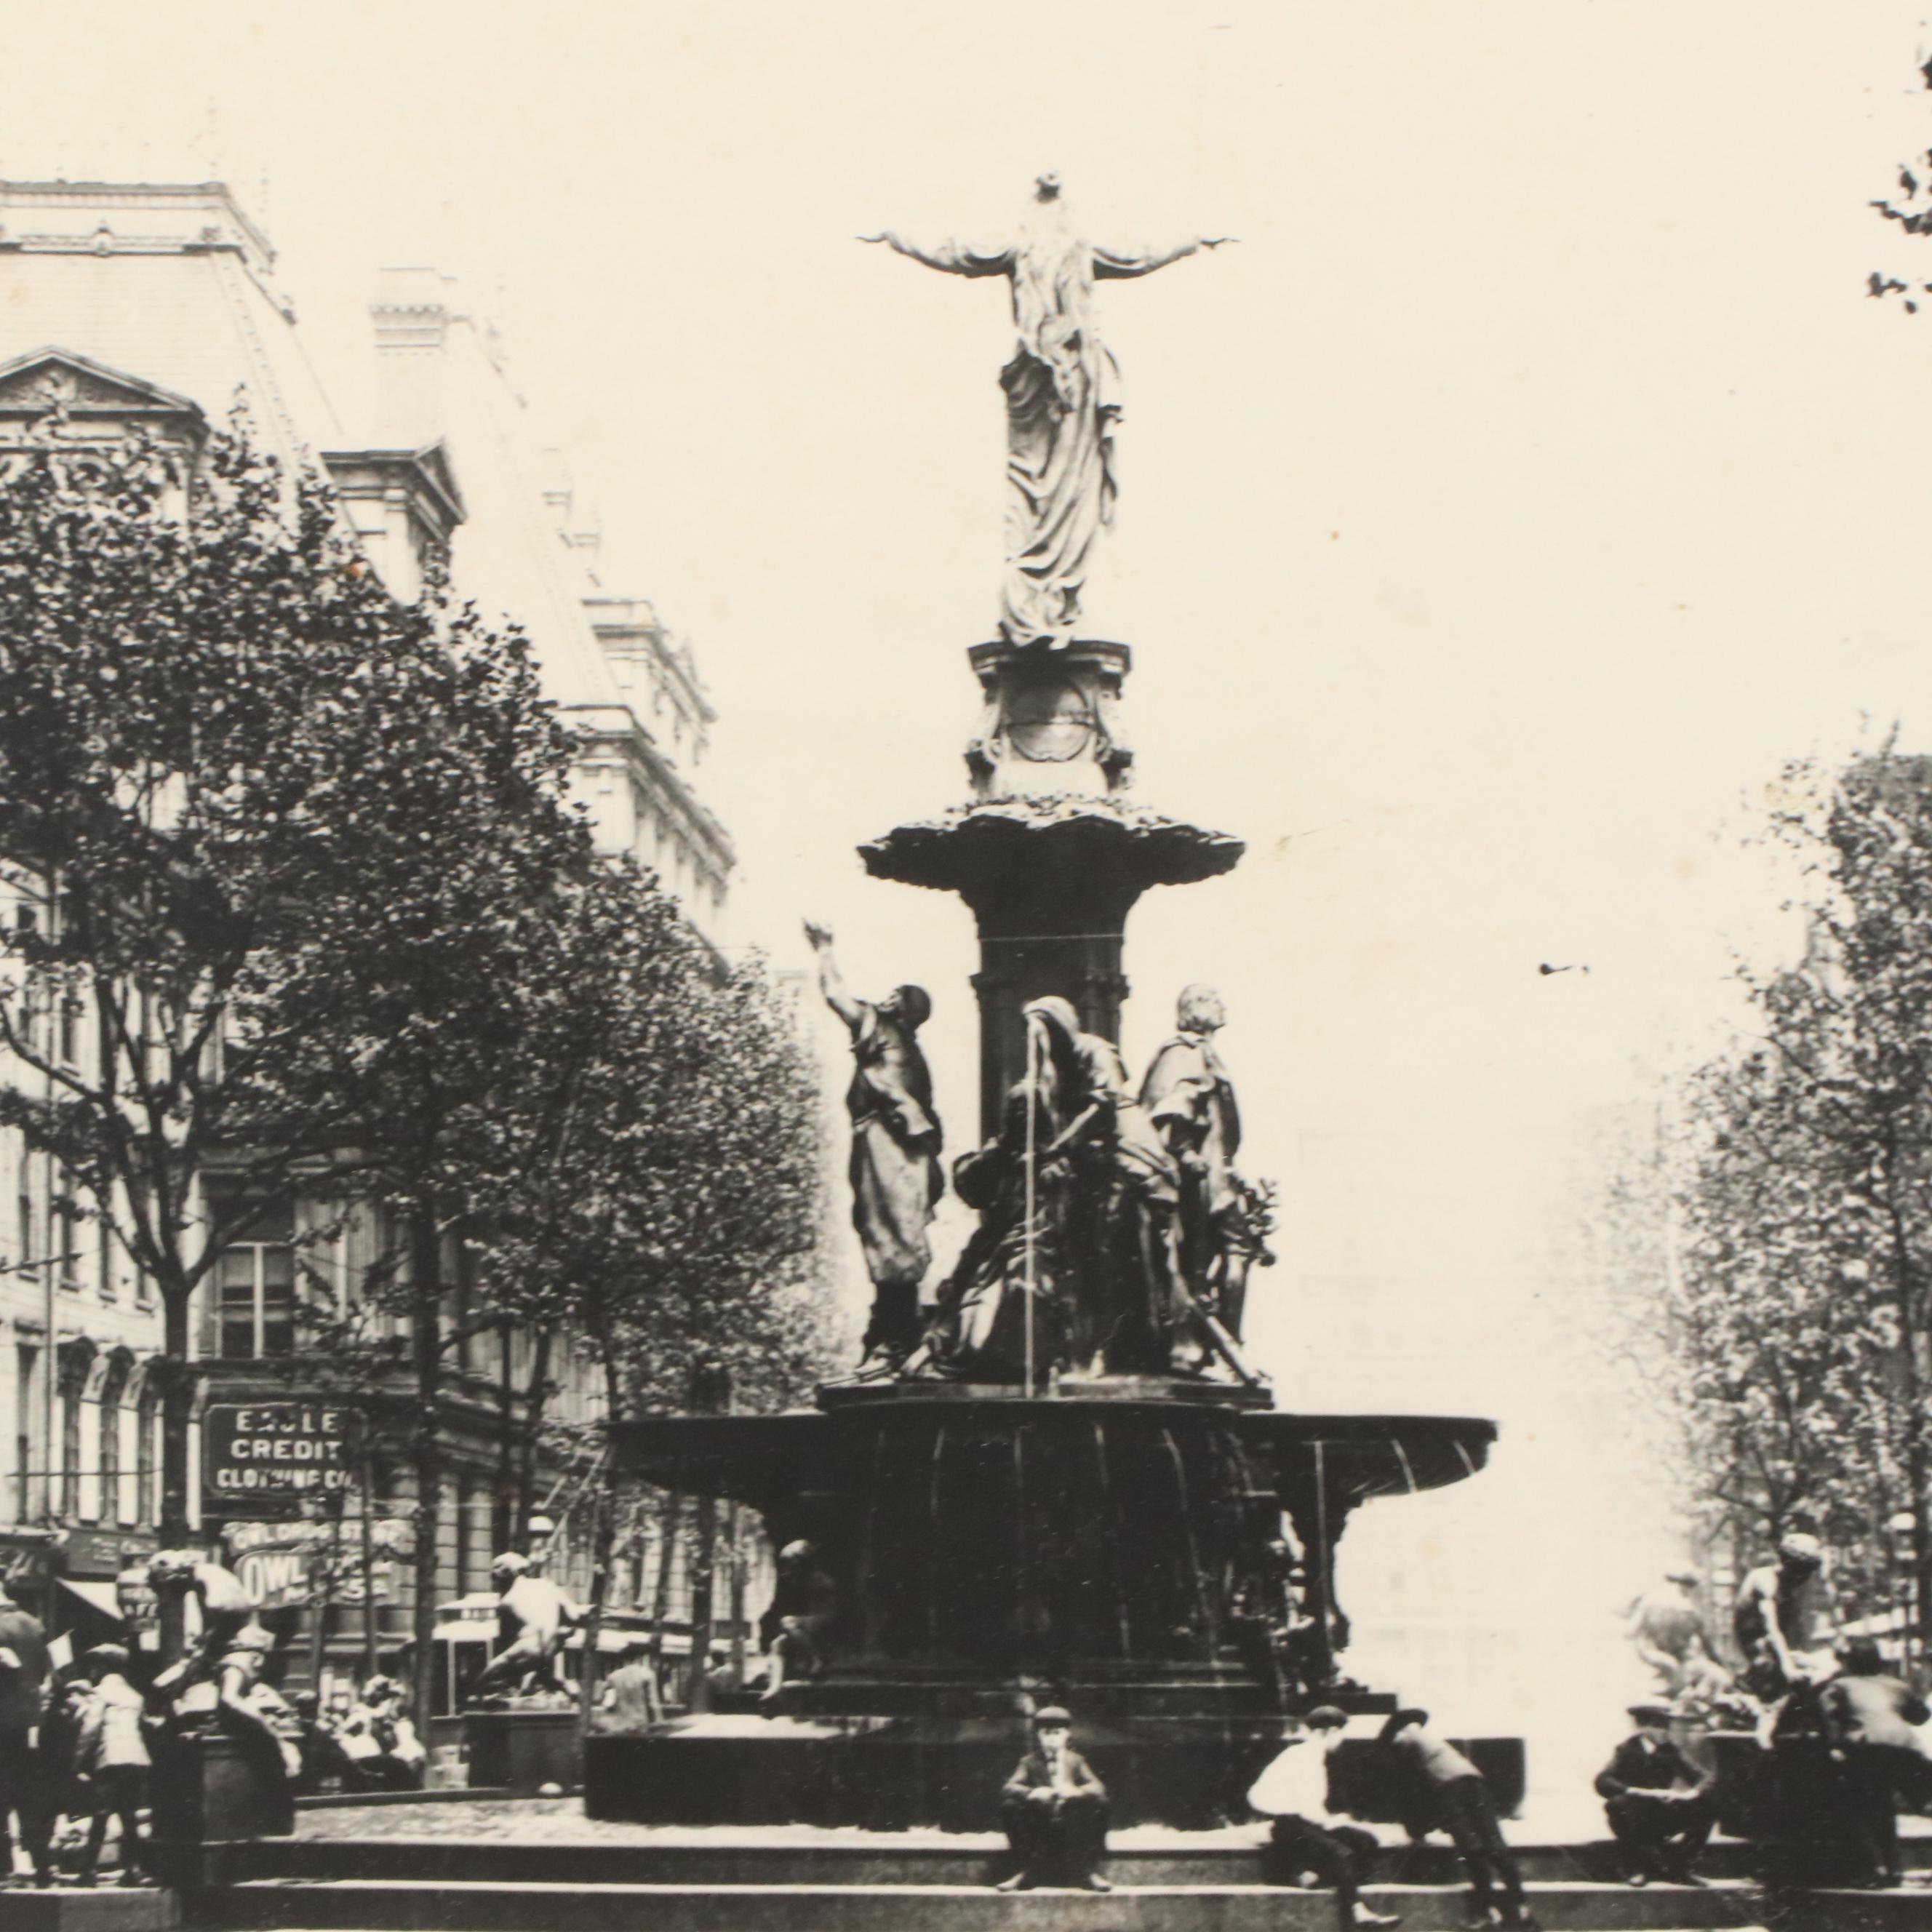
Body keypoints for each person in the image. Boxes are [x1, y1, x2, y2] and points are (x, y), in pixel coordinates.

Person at [863, 175, 1229, 650]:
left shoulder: (1078, 250)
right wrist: (898, 237)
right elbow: (956, 253)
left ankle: (1054, 608)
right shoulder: (1021, 251)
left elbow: (1139, 255)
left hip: (1074, 387)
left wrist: (1192, 241)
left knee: (1070, 497)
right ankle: (1032, 612)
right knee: (1031, 494)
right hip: (1037, 386)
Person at [805, 923, 944, 1370]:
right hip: (908, 1152)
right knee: (896, 1233)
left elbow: (836, 996)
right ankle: (895, 1332)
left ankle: (892, 1338)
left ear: (900, 1008)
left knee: (885, 1231)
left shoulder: (879, 1029)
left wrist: (825, 950)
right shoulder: (916, 1060)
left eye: (894, 995)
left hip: (885, 1145)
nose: (884, 998)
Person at [1140, 983, 1272, 1340]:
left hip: (1217, 1173)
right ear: (1195, 1008)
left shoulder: (1202, 1053)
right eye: (1214, 1000)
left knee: (1226, 1254)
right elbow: (1173, 1103)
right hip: (1201, 1176)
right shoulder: (1185, 1053)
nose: (1223, 1005)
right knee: (1226, 1253)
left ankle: (1219, 1342)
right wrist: (1184, 1151)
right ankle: (1223, 1343)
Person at [1378, 1709, 1536, 1930]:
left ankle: (1488, 1912)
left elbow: (1409, 1790)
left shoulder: (1405, 1743)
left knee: (1470, 1848)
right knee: (1495, 1844)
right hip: (1473, 1783)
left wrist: (1416, 1830)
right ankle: (1521, 1908)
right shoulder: (1438, 1745)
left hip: (1447, 1790)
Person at [1248, 1707, 1399, 1929]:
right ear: (1331, 1731)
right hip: (1290, 1824)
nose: (1341, 1741)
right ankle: (1358, 1912)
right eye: (1341, 1734)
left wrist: (1335, 1822)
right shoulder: (1303, 1757)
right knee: (1341, 1853)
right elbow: (1307, 1808)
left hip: (1305, 1821)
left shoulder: (1313, 1756)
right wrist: (1334, 1822)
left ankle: (1312, 1874)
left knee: (1367, 1841)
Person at [1820, 1639, 1931, 1888]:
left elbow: (1829, 1719)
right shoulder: (1896, 1685)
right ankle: (1894, 1869)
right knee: (1887, 1806)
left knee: (1859, 1809)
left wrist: (1835, 1747)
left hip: (1868, 1748)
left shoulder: (1839, 1686)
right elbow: (1921, 1716)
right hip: (1905, 1748)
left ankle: (1874, 1869)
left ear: (1848, 1663)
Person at [1593, 1700, 1715, 1888]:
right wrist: (1634, 1791)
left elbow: (1704, 1777)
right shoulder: (1627, 1749)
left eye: (1667, 1726)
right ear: (1643, 1727)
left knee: (1707, 1808)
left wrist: (1692, 1792)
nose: (1665, 1731)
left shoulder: (1672, 1751)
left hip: (1663, 1813)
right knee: (1617, 1805)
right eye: (1659, 1726)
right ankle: (1635, 1868)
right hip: (1636, 1815)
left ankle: (1680, 1868)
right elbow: (1603, 1780)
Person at [995, 1706, 1111, 1892]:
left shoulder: (1076, 1760)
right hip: (1040, 1821)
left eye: (1057, 1733)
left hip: (1071, 1822)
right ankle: (1026, 1871)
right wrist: (1032, 1793)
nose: (1052, 1738)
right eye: (1046, 1733)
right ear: (1039, 1736)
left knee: (1101, 1804)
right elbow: (1009, 1787)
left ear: (1066, 1735)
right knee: (1009, 1806)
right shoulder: (1029, 1762)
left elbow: (1098, 1787)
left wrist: (1077, 1791)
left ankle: (1088, 1871)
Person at [71, 1646, 151, 1887]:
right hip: (135, 1757)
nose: (92, 1671)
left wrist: (76, 1763)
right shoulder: (135, 1696)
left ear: (103, 1667)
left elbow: (89, 1729)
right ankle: (133, 1869)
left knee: (100, 1814)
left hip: (109, 1758)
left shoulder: (99, 1694)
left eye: (95, 1666)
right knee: (129, 1815)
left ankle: (88, 1871)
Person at [0, 1573, 54, 1887]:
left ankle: (3, 1869)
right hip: (30, 1725)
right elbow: (48, 1677)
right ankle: (43, 1867)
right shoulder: (34, 1623)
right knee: (30, 1798)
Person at [1733, 1534, 1835, 1699]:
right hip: (1759, 1650)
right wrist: (1788, 1666)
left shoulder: (1788, 1590)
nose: (1805, 1579)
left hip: (1775, 1650)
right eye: (1803, 1572)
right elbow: (1771, 1628)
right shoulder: (1766, 1580)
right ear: (1792, 1568)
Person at [470, 1554, 579, 1701]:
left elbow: (505, 1639)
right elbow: (574, 1615)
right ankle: (570, 1690)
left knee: (495, 1665)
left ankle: (474, 1693)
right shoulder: (547, 1584)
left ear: (505, 1576)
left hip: (529, 1645)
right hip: (551, 1646)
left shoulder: (507, 1601)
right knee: (547, 1677)